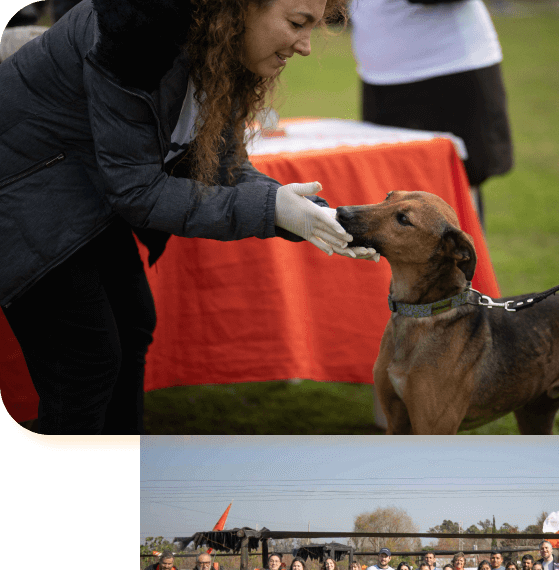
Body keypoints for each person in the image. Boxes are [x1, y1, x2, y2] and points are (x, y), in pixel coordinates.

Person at [0, 0, 379, 434]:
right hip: (19, 188)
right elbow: (138, 191)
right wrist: (272, 209)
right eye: (297, 23)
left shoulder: (223, 50)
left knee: (133, 323)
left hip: (76, 189)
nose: (307, 46)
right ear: (239, 10)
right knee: (86, 359)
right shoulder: (133, 33)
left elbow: (223, 166)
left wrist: (316, 216)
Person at [349, 0, 513, 229]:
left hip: (448, 68)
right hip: (380, 76)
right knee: (392, 194)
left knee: (457, 193)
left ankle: (469, 265)